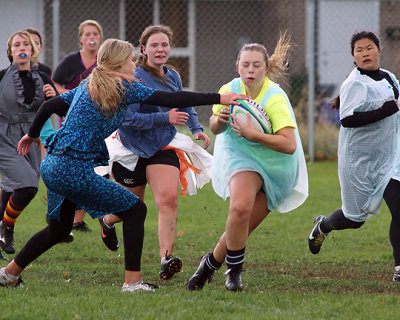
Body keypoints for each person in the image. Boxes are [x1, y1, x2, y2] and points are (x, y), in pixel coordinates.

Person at [0, 38, 247, 291]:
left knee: (58, 230)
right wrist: (219, 97)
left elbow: (51, 105)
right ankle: (132, 282)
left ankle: (9, 274)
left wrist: (32, 134)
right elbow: (174, 98)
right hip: (72, 168)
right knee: (135, 210)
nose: (133, 63)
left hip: (53, 164)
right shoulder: (124, 87)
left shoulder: (89, 83)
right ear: (119, 62)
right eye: (130, 59)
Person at [186, 33, 308, 291]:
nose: (250, 70)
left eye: (256, 65)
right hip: (240, 156)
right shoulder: (229, 90)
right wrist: (220, 120)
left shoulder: (274, 98)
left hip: (276, 164)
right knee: (240, 209)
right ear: (237, 67)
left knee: (243, 224)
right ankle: (234, 274)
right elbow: (214, 127)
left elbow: (289, 145)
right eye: (245, 65)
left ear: (266, 68)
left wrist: (254, 134)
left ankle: (208, 265)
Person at [97, 25, 212, 281]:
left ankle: (166, 259)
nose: (160, 50)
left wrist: (196, 129)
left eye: (164, 45)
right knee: (132, 206)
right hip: (131, 149)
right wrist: (165, 117)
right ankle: (107, 221)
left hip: (162, 145)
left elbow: (184, 103)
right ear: (143, 49)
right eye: (154, 45)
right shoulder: (133, 76)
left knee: (168, 199)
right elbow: (127, 119)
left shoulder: (173, 76)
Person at [308, 31, 400, 282]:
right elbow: (348, 120)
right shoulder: (354, 83)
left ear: (379, 50)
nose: (365, 53)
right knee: (354, 218)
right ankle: (323, 226)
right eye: (359, 50)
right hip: (359, 161)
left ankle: (399, 268)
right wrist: (385, 110)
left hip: (389, 158)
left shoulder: (390, 78)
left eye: (369, 48)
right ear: (354, 56)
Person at [0, 30, 57, 257]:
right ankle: (7, 226)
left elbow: (59, 108)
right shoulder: (2, 76)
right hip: (4, 137)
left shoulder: (42, 77)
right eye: (17, 45)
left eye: (26, 44)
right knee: (28, 185)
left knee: (11, 186)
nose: (22, 48)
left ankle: (2, 231)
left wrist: (53, 97)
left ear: (32, 51)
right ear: (10, 51)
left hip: (31, 138)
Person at [52, 19, 104, 232]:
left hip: (99, 121)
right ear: (80, 38)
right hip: (73, 121)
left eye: (95, 34)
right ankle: (61, 215)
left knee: (94, 168)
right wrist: (72, 98)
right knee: (72, 166)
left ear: (100, 38)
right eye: (87, 34)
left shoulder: (104, 61)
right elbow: (54, 83)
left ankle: (78, 220)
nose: (91, 38)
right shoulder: (71, 61)